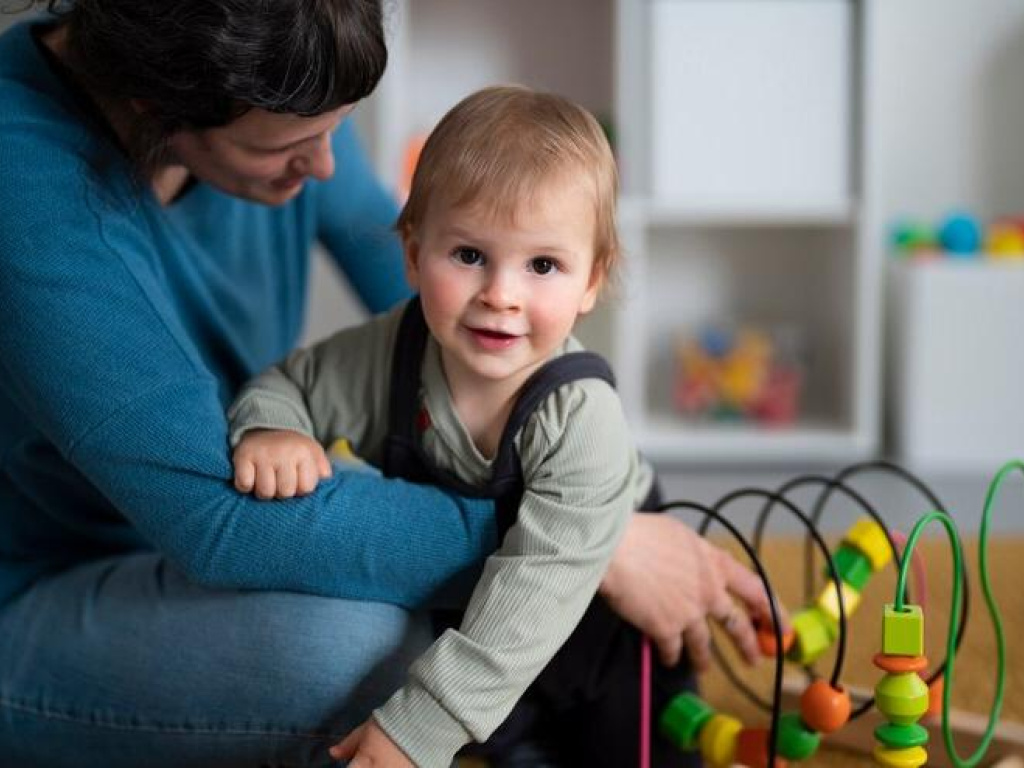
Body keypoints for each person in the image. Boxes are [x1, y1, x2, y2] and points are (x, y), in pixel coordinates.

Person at [0, 2, 773, 767]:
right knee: (370, 646)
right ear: (156, 107)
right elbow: (216, 523)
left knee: (441, 621)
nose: (328, 167)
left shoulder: (277, 82)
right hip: (46, 587)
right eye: (298, 145)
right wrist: (585, 537)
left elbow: (422, 274)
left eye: (335, 128)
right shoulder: (26, 183)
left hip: (196, 541)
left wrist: (579, 485)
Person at [227, 85, 770, 768]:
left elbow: (535, 591)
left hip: (602, 631)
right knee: (512, 746)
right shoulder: (391, 354)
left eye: (543, 265)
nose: (501, 295)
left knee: (634, 748)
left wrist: (416, 728)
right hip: (470, 629)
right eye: (469, 256)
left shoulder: (579, 413)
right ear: (413, 252)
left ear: (591, 281)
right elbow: (287, 387)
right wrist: (273, 429)